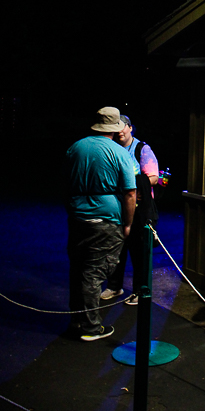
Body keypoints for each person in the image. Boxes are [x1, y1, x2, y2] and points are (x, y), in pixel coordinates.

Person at [66, 106, 136, 341]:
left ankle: (77, 321)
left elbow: (65, 182)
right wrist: (127, 224)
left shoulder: (76, 147)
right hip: (105, 219)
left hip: (77, 216)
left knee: (78, 269)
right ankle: (90, 328)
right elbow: (129, 193)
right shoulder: (119, 153)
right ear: (116, 129)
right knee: (94, 274)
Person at [101, 114, 161, 304]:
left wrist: (132, 184)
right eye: (115, 127)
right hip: (117, 208)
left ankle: (139, 289)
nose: (119, 131)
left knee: (138, 252)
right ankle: (114, 286)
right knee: (116, 249)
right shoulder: (112, 148)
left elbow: (153, 177)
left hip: (139, 209)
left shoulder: (142, 149)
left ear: (130, 128)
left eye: (122, 127)